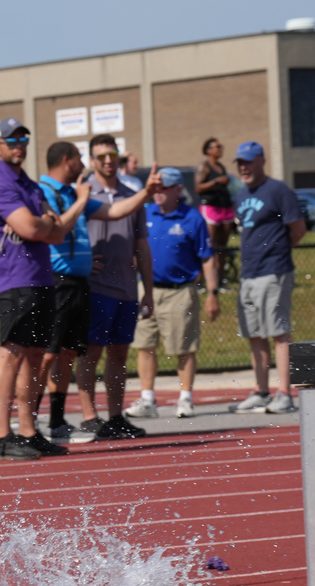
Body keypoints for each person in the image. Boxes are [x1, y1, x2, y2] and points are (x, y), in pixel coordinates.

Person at [0, 119, 95, 461]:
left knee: (33, 356)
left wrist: (46, 225)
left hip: (41, 277)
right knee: (12, 352)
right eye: (10, 139)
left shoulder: (28, 184)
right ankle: (1, 436)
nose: (18, 143)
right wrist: (45, 224)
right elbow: (31, 227)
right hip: (16, 278)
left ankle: (28, 431)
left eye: (23, 137)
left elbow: (57, 234)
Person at [37, 141, 156, 444]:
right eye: (91, 157)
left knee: (69, 355)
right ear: (73, 160)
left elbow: (116, 212)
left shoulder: (77, 192)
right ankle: (33, 420)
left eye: (111, 155)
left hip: (97, 285)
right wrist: (80, 200)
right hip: (66, 283)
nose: (104, 161)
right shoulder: (53, 191)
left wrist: (146, 193)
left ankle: (63, 420)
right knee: (52, 355)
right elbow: (56, 230)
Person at [76, 135, 156, 440]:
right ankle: (88, 416)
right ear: (92, 160)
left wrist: (147, 290)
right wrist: (82, 259)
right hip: (95, 286)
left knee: (120, 353)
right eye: (101, 156)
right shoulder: (83, 192)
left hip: (126, 287)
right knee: (91, 351)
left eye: (112, 154)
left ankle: (115, 416)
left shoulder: (132, 194)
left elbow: (142, 246)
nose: (108, 160)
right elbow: (65, 233)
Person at [126, 168, 220, 419]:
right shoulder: (145, 213)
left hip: (180, 292)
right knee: (145, 345)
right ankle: (147, 400)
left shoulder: (192, 218)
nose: (158, 192)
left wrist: (212, 293)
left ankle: (185, 399)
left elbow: (207, 259)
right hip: (147, 290)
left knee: (184, 348)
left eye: (165, 187)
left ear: (179, 189)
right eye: (156, 187)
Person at [230, 141, 305, 414]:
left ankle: (285, 393)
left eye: (248, 161)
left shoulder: (278, 190)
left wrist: (278, 250)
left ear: (261, 161)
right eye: (240, 162)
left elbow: (298, 229)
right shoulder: (241, 195)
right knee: (254, 334)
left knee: (279, 332)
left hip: (274, 270)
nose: (243, 167)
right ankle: (262, 391)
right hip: (249, 273)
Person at [196, 137, 237, 256]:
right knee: (210, 245)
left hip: (225, 207)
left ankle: (221, 273)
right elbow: (198, 187)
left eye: (221, 146)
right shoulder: (204, 166)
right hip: (211, 207)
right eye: (217, 147)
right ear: (209, 151)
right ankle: (206, 273)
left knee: (222, 247)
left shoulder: (221, 167)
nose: (221, 149)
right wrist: (217, 181)